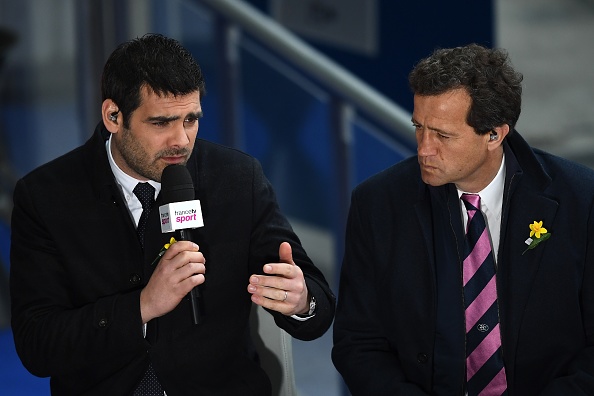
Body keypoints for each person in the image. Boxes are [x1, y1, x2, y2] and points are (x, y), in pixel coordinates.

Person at [10, 33, 335, 395]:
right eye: (162, 123)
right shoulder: (46, 197)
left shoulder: (238, 179)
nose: (181, 141)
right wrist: (142, 306)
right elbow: (37, 345)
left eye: (191, 120)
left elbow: (317, 308)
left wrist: (301, 300)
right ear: (113, 116)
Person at [332, 43, 594, 395]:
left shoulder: (580, 200)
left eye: (442, 135)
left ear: (494, 134)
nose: (424, 148)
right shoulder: (377, 204)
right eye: (419, 127)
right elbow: (358, 342)